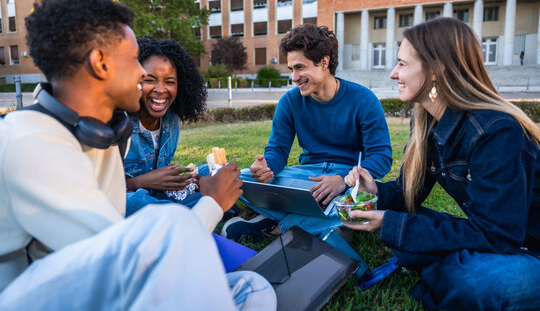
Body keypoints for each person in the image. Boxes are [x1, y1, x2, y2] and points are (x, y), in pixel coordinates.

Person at [0, 0, 276, 310]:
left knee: (253, 289)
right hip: (48, 296)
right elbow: (125, 261)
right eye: (133, 59)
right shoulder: (32, 145)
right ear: (100, 63)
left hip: (107, 276)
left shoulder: (105, 132)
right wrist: (212, 203)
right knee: (169, 223)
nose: (142, 73)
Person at [343, 17, 540, 310]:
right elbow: (411, 194)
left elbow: (498, 235)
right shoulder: (426, 121)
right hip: (490, 233)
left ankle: (442, 268)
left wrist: (394, 225)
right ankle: (439, 264)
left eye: (402, 64)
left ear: (436, 69)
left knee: (472, 282)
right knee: (406, 229)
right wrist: (376, 191)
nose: (393, 73)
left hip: (527, 248)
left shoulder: (496, 130)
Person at [221, 24, 393, 242]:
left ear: (324, 62)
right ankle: (327, 223)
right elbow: (277, 150)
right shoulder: (289, 102)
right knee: (240, 180)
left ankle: (278, 228)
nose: (294, 77)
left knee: (362, 201)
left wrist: (344, 180)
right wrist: (266, 169)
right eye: (291, 69)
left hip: (348, 180)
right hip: (307, 179)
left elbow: (382, 156)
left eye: (300, 68)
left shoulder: (364, 100)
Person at [124, 37, 206, 216]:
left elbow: (162, 181)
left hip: (158, 197)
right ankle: (201, 208)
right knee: (131, 203)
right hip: (127, 199)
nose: (161, 90)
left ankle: (184, 211)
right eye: (150, 80)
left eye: (169, 82)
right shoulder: (118, 122)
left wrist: (184, 180)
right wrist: (142, 181)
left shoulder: (171, 119)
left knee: (213, 173)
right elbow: (102, 189)